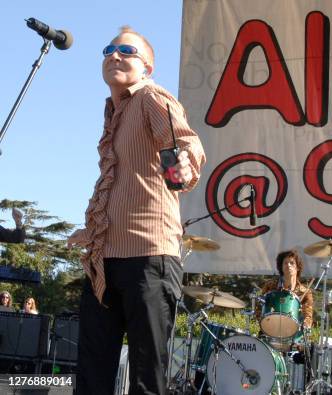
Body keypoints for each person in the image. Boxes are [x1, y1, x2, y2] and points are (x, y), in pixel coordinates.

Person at [67, 26, 205, 395]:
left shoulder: (150, 97)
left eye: (127, 50)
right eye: (109, 49)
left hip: (148, 257)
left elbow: (184, 143)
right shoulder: (114, 113)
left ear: (147, 67)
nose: (114, 55)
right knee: (91, 376)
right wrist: (91, 232)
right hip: (104, 260)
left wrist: (183, 169)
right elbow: (117, 183)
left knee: (147, 379)